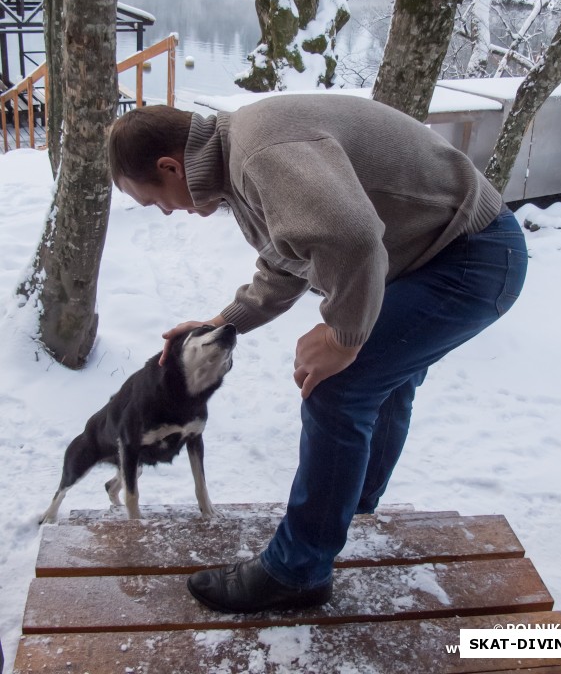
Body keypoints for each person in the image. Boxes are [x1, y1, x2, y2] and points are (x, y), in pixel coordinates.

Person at [108, 94, 528, 614]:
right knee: (380, 384)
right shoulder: (240, 161)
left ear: (170, 167)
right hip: (446, 255)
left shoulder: (260, 153)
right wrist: (222, 324)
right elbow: (289, 260)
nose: (167, 212)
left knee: (339, 385)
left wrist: (343, 336)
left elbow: (352, 240)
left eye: (155, 200)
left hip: (469, 257)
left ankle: (297, 570)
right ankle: (349, 513)